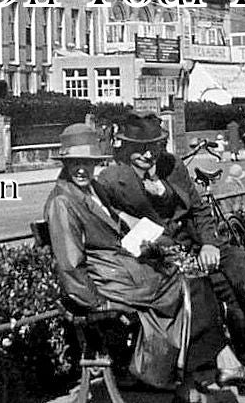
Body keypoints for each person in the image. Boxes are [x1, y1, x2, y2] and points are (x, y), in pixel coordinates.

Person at [94, 113, 245, 401]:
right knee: (223, 289)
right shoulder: (111, 180)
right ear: (126, 147)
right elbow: (113, 229)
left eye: (154, 147)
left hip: (194, 246)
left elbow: (199, 210)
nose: (149, 154)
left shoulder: (171, 165)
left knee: (234, 258)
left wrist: (210, 245)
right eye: (141, 148)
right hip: (161, 257)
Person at [43, 123, 225, 396]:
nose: (82, 169)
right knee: (189, 285)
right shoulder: (63, 201)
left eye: (87, 162)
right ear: (65, 163)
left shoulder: (90, 189)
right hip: (106, 280)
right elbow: (71, 265)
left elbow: (116, 220)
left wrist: (148, 239)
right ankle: (188, 374)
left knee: (191, 282)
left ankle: (187, 374)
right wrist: (98, 303)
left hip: (120, 270)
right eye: (74, 163)